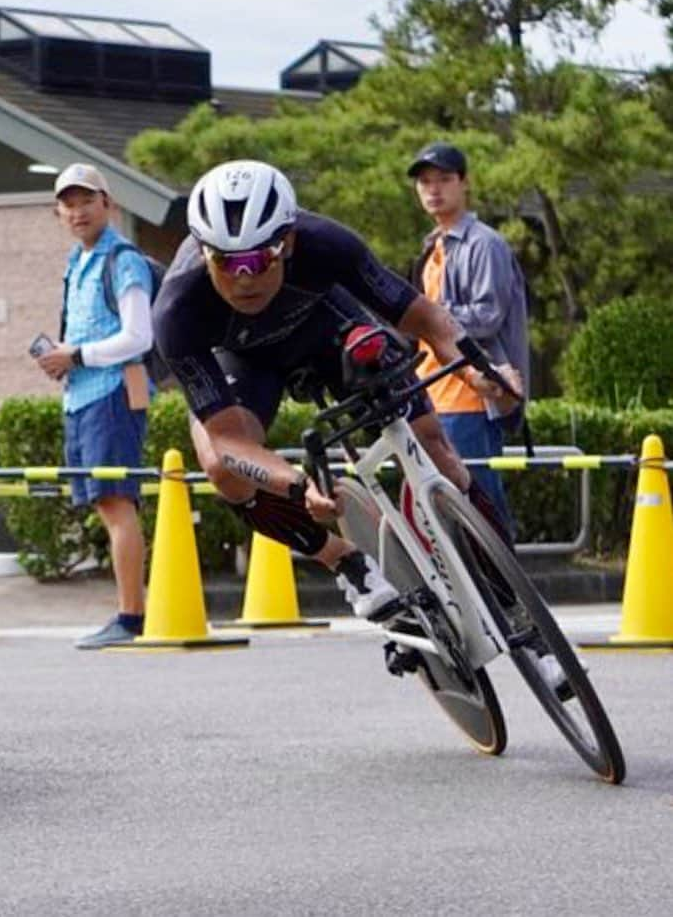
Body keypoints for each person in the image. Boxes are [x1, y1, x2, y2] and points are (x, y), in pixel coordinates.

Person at [153, 159, 568, 693]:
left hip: (330, 329)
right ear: (201, 251)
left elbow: (427, 320)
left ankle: (522, 618)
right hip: (245, 363)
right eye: (226, 261)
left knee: (433, 445)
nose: (245, 276)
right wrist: (295, 485)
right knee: (220, 467)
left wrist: (480, 372)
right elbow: (230, 437)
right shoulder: (178, 309)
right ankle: (344, 562)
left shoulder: (327, 243)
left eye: (261, 256)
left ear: (289, 241)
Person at [34, 163, 154, 649]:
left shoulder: (123, 259)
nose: (77, 210)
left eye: (87, 200)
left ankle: (131, 617)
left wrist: (76, 355)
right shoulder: (76, 261)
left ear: (109, 204)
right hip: (82, 395)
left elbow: (138, 336)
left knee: (116, 502)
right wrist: (63, 357)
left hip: (112, 394)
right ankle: (127, 612)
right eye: (68, 202)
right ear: (58, 211)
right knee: (108, 506)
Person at [407, 142, 529, 536]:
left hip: (472, 396)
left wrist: (429, 314)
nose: (433, 189)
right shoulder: (433, 245)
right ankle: (471, 592)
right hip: (431, 392)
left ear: (464, 183)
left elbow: (487, 316)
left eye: (444, 179)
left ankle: (506, 592)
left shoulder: (483, 243)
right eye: (425, 182)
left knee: (478, 501)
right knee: (442, 507)